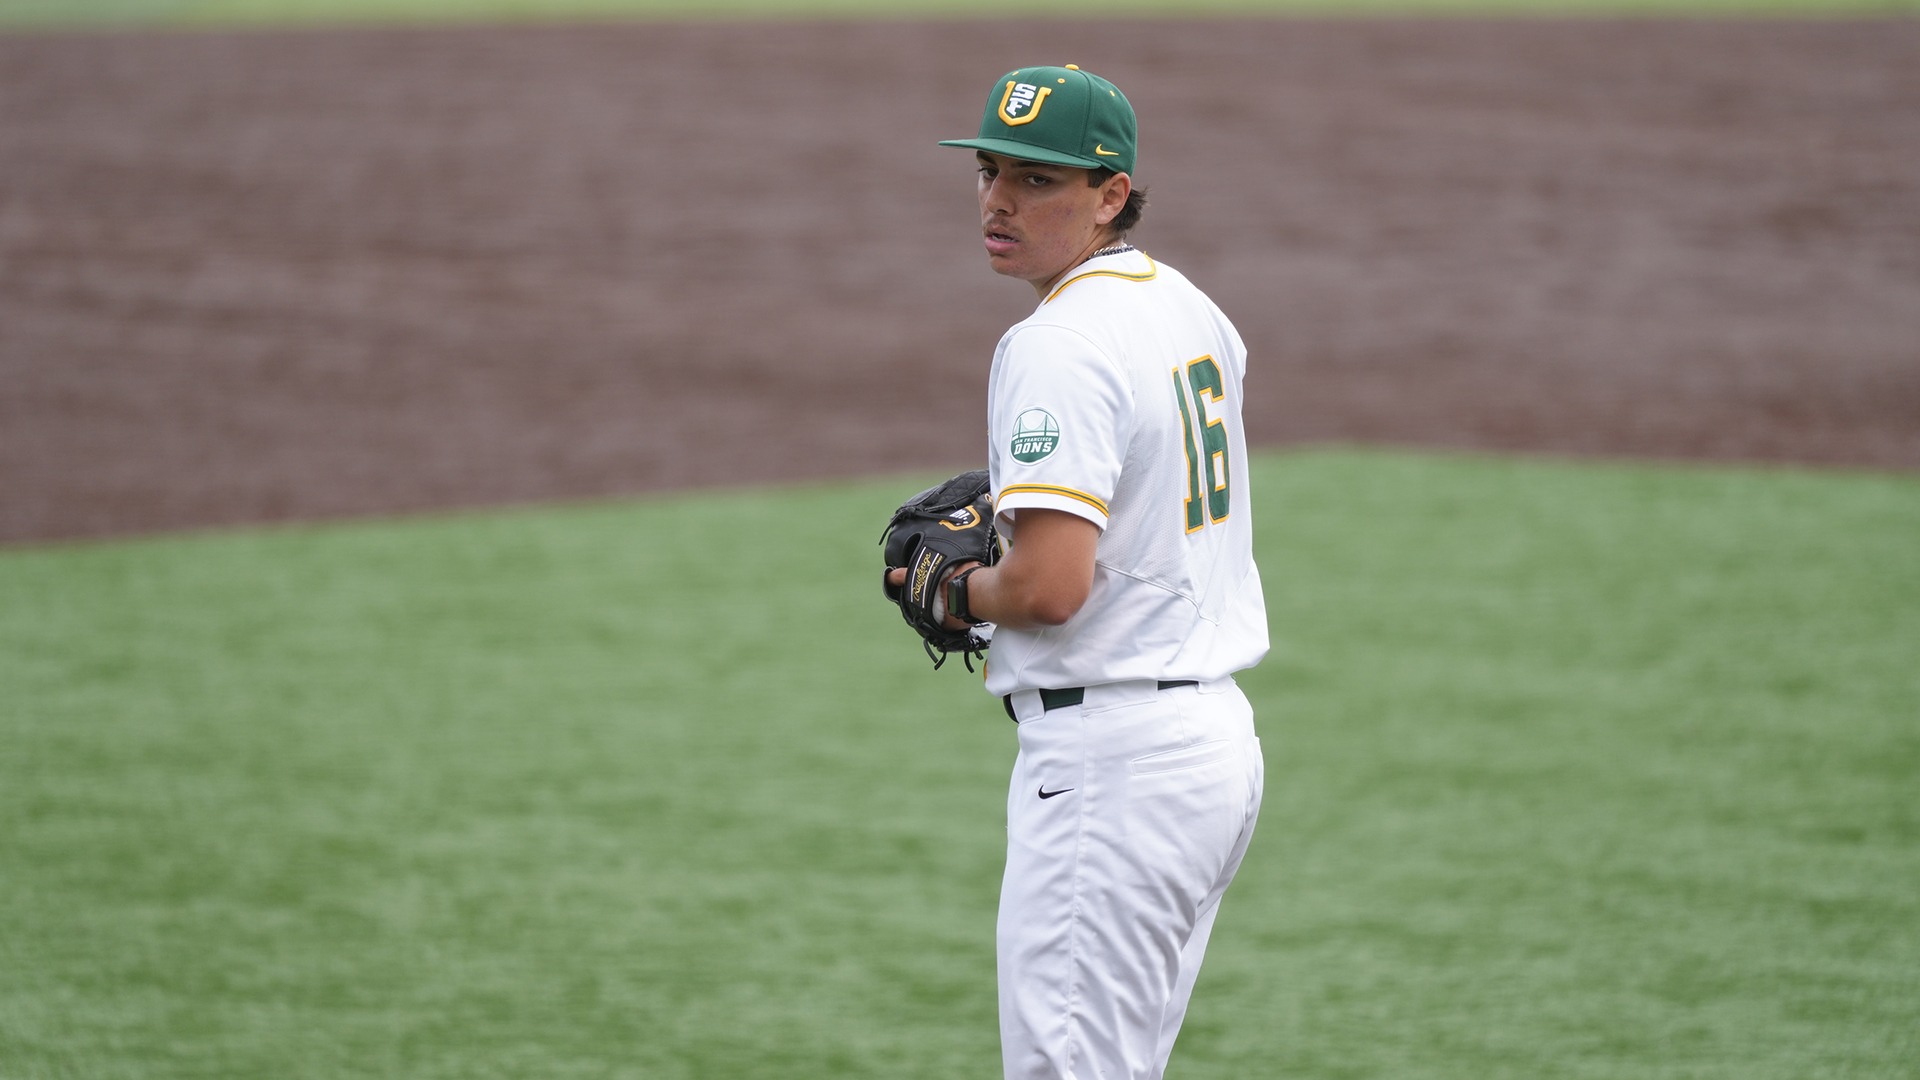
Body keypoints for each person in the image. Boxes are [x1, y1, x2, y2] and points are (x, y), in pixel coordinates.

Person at [892, 64, 1272, 1079]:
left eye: (1039, 180)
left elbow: (1052, 590)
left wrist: (954, 590)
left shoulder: (1057, 341)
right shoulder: (1187, 306)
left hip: (1115, 764)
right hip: (1209, 744)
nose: (1000, 201)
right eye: (989, 171)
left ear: (1112, 194)